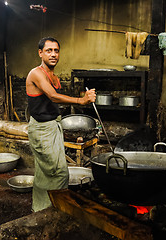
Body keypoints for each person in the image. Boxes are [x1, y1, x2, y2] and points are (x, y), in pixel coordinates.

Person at [26, 37, 96, 211]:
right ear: (40, 53)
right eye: (49, 50)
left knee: (44, 172)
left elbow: (54, 100)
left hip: (52, 126)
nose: (53, 54)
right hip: (42, 129)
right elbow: (53, 96)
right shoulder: (36, 73)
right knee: (59, 173)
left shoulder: (54, 77)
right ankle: (53, 209)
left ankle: (41, 208)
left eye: (56, 51)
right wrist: (81, 101)